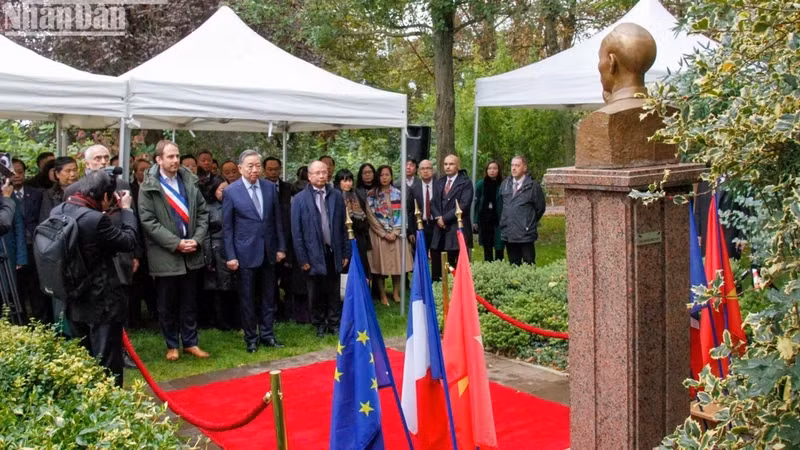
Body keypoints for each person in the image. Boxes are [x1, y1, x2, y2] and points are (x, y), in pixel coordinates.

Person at [56, 170, 138, 386]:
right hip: (102, 301)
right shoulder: (95, 220)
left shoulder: (60, 210)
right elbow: (128, 241)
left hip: (74, 296)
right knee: (107, 362)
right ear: (104, 197)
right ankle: (109, 406)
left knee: (83, 358)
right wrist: (127, 210)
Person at [138, 140, 210, 361]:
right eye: (170, 157)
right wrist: (176, 243)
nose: (176, 160)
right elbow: (148, 222)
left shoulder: (188, 181)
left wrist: (196, 240)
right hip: (166, 254)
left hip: (191, 253)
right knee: (167, 303)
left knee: (190, 301)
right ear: (158, 159)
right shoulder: (148, 186)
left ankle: (191, 342)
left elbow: (203, 213)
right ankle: (171, 345)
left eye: (177, 156)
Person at [223, 150, 286, 352]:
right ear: (240, 168)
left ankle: (268, 334)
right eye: (250, 166)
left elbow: (277, 220)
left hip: (268, 250)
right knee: (248, 298)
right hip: (244, 253)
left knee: (269, 296)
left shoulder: (269, 188)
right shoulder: (231, 191)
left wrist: (281, 247)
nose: (254, 169)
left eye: (257, 165)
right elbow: (228, 227)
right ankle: (251, 337)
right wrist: (231, 255)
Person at [291, 160, 350, 337]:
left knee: (333, 289)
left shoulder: (336, 196)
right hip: (312, 252)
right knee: (315, 291)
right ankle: (318, 323)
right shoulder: (300, 199)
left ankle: (334, 322)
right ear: (309, 176)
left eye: (324, 172)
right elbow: (297, 232)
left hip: (333, 250)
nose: (321, 176)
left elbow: (343, 226)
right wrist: (302, 259)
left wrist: (346, 252)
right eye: (317, 173)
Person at [365, 165, 413, 305]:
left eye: (387, 175)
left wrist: (395, 232)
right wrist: (384, 234)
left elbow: (403, 214)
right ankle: (382, 294)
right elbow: (371, 217)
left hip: (396, 235)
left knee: (397, 266)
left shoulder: (398, 193)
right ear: (378, 177)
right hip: (379, 235)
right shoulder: (372, 195)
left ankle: (396, 293)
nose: (384, 177)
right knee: (380, 266)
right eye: (381, 175)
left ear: (391, 177)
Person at [11, 158, 47, 324]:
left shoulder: (37, 193)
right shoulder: (4, 195)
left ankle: (41, 322)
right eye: (13, 172)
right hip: (13, 249)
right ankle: (19, 322)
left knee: (36, 288)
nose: (17, 175)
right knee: (16, 288)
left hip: (34, 247)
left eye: (20, 172)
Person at [498, 156, 546, 265]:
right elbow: (501, 206)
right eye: (512, 165)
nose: (514, 168)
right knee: (513, 264)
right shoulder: (505, 184)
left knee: (528, 263)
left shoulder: (533, 186)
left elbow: (540, 208)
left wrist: (528, 221)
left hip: (525, 233)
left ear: (524, 168)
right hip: (509, 232)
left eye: (517, 165)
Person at [263, 157, 295, 322]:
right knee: (270, 280)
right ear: (264, 170)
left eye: (276, 169)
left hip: (287, 238)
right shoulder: (260, 188)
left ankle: (289, 311)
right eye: (270, 169)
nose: (273, 172)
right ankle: (273, 311)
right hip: (268, 240)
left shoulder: (288, 188)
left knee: (288, 279)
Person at [431, 154, 473, 268]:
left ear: (458, 166)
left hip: (456, 228)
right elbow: (433, 203)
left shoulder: (465, 183)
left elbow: (464, 205)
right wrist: (438, 218)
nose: (448, 167)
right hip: (439, 231)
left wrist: (444, 219)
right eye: (445, 164)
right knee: (438, 266)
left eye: (451, 164)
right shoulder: (440, 182)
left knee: (455, 267)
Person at [334, 169, 370, 278]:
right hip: (342, 238)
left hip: (358, 236)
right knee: (346, 267)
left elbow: (364, 216)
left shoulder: (356, 195)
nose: (348, 183)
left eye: (350, 180)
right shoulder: (335, 196)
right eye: (344, 180)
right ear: (338, 182)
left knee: (361, 265)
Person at [474, 160, 505, 262]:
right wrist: (475, 220)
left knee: (499, 247)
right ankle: (489, 268)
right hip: (485, 220)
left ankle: (499, 268)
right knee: (487, 248)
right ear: (486, 170)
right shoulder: (480, 184)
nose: (492, 171)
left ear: (499, 170)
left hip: (498, 220)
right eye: (489, 168)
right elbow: (476, 203)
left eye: (495, 168)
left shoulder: (503, 184)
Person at [417, 159, 442, 281]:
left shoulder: (440, 185)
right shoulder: (414, 187)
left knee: (436, 253)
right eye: (423, 168)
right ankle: (423, 281)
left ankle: (436, 280)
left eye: (428, 168)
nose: (425, 171)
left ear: (432, 170)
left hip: (436, 224)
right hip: (421, 225)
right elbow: (411, 210)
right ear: (419, 171)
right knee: (421, 254)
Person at [39, 156, 79, 223]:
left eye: (75, 170)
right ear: (57, 174)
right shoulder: (50, 194)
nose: (72, 174)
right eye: (68, 171)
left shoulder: (83, 191)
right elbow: (46, 218)